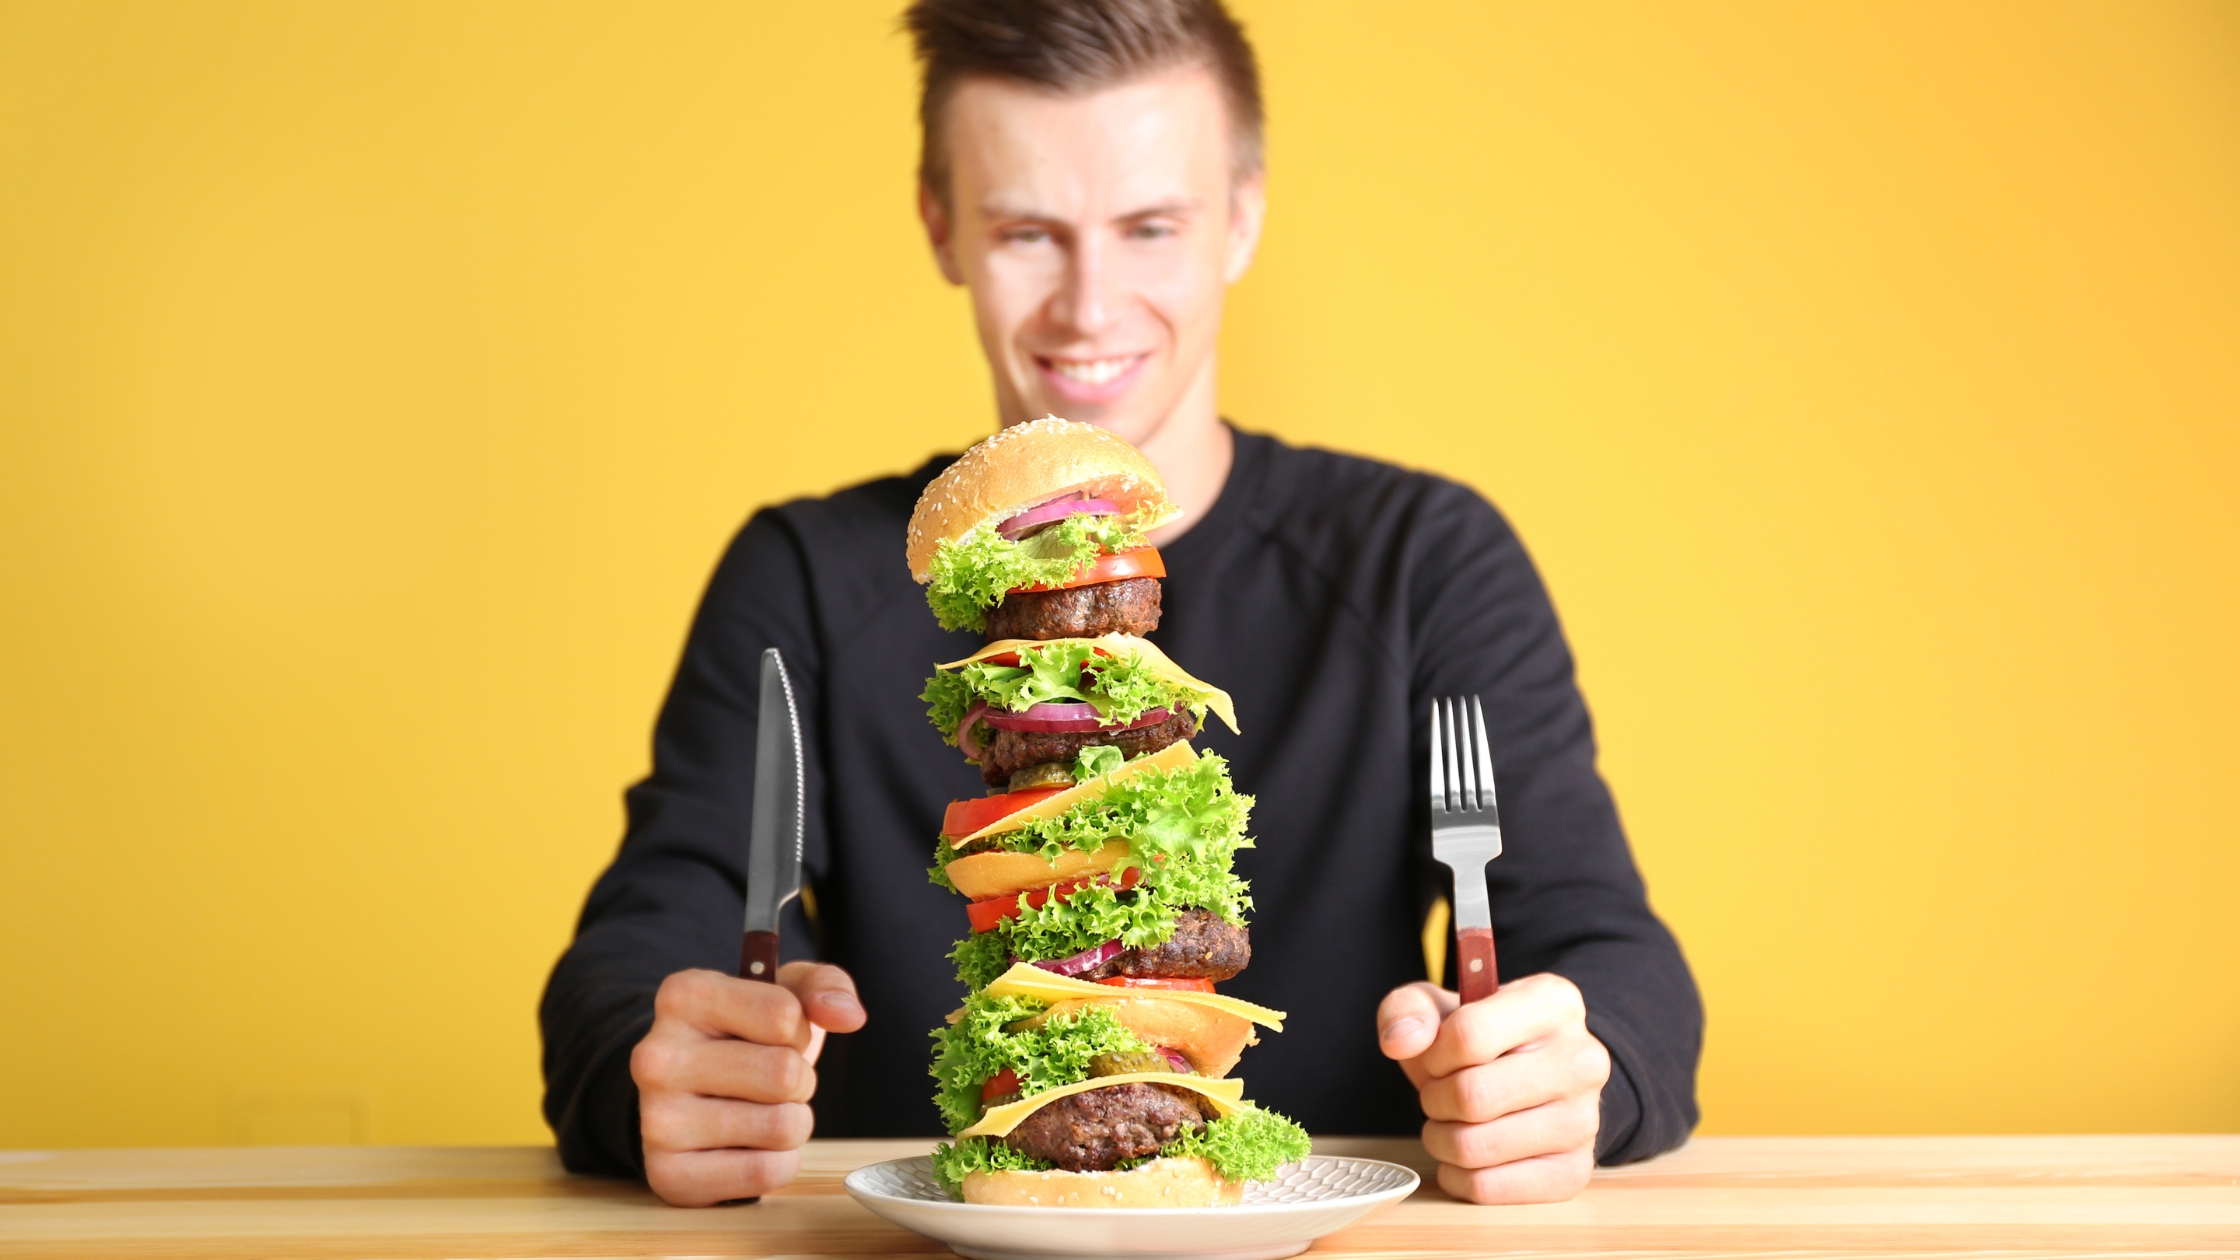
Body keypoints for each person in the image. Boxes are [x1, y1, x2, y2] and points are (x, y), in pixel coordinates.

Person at [540, 0, 1701, 1209]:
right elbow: (633, 955)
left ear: (1241, 219)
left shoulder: (1423, 558)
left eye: (1149, 225)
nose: (1088, 307)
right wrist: (651, 1072)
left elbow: (1616, 958)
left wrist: (1579, 1068)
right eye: (1028, 232)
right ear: (942, 227)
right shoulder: (807, 574)